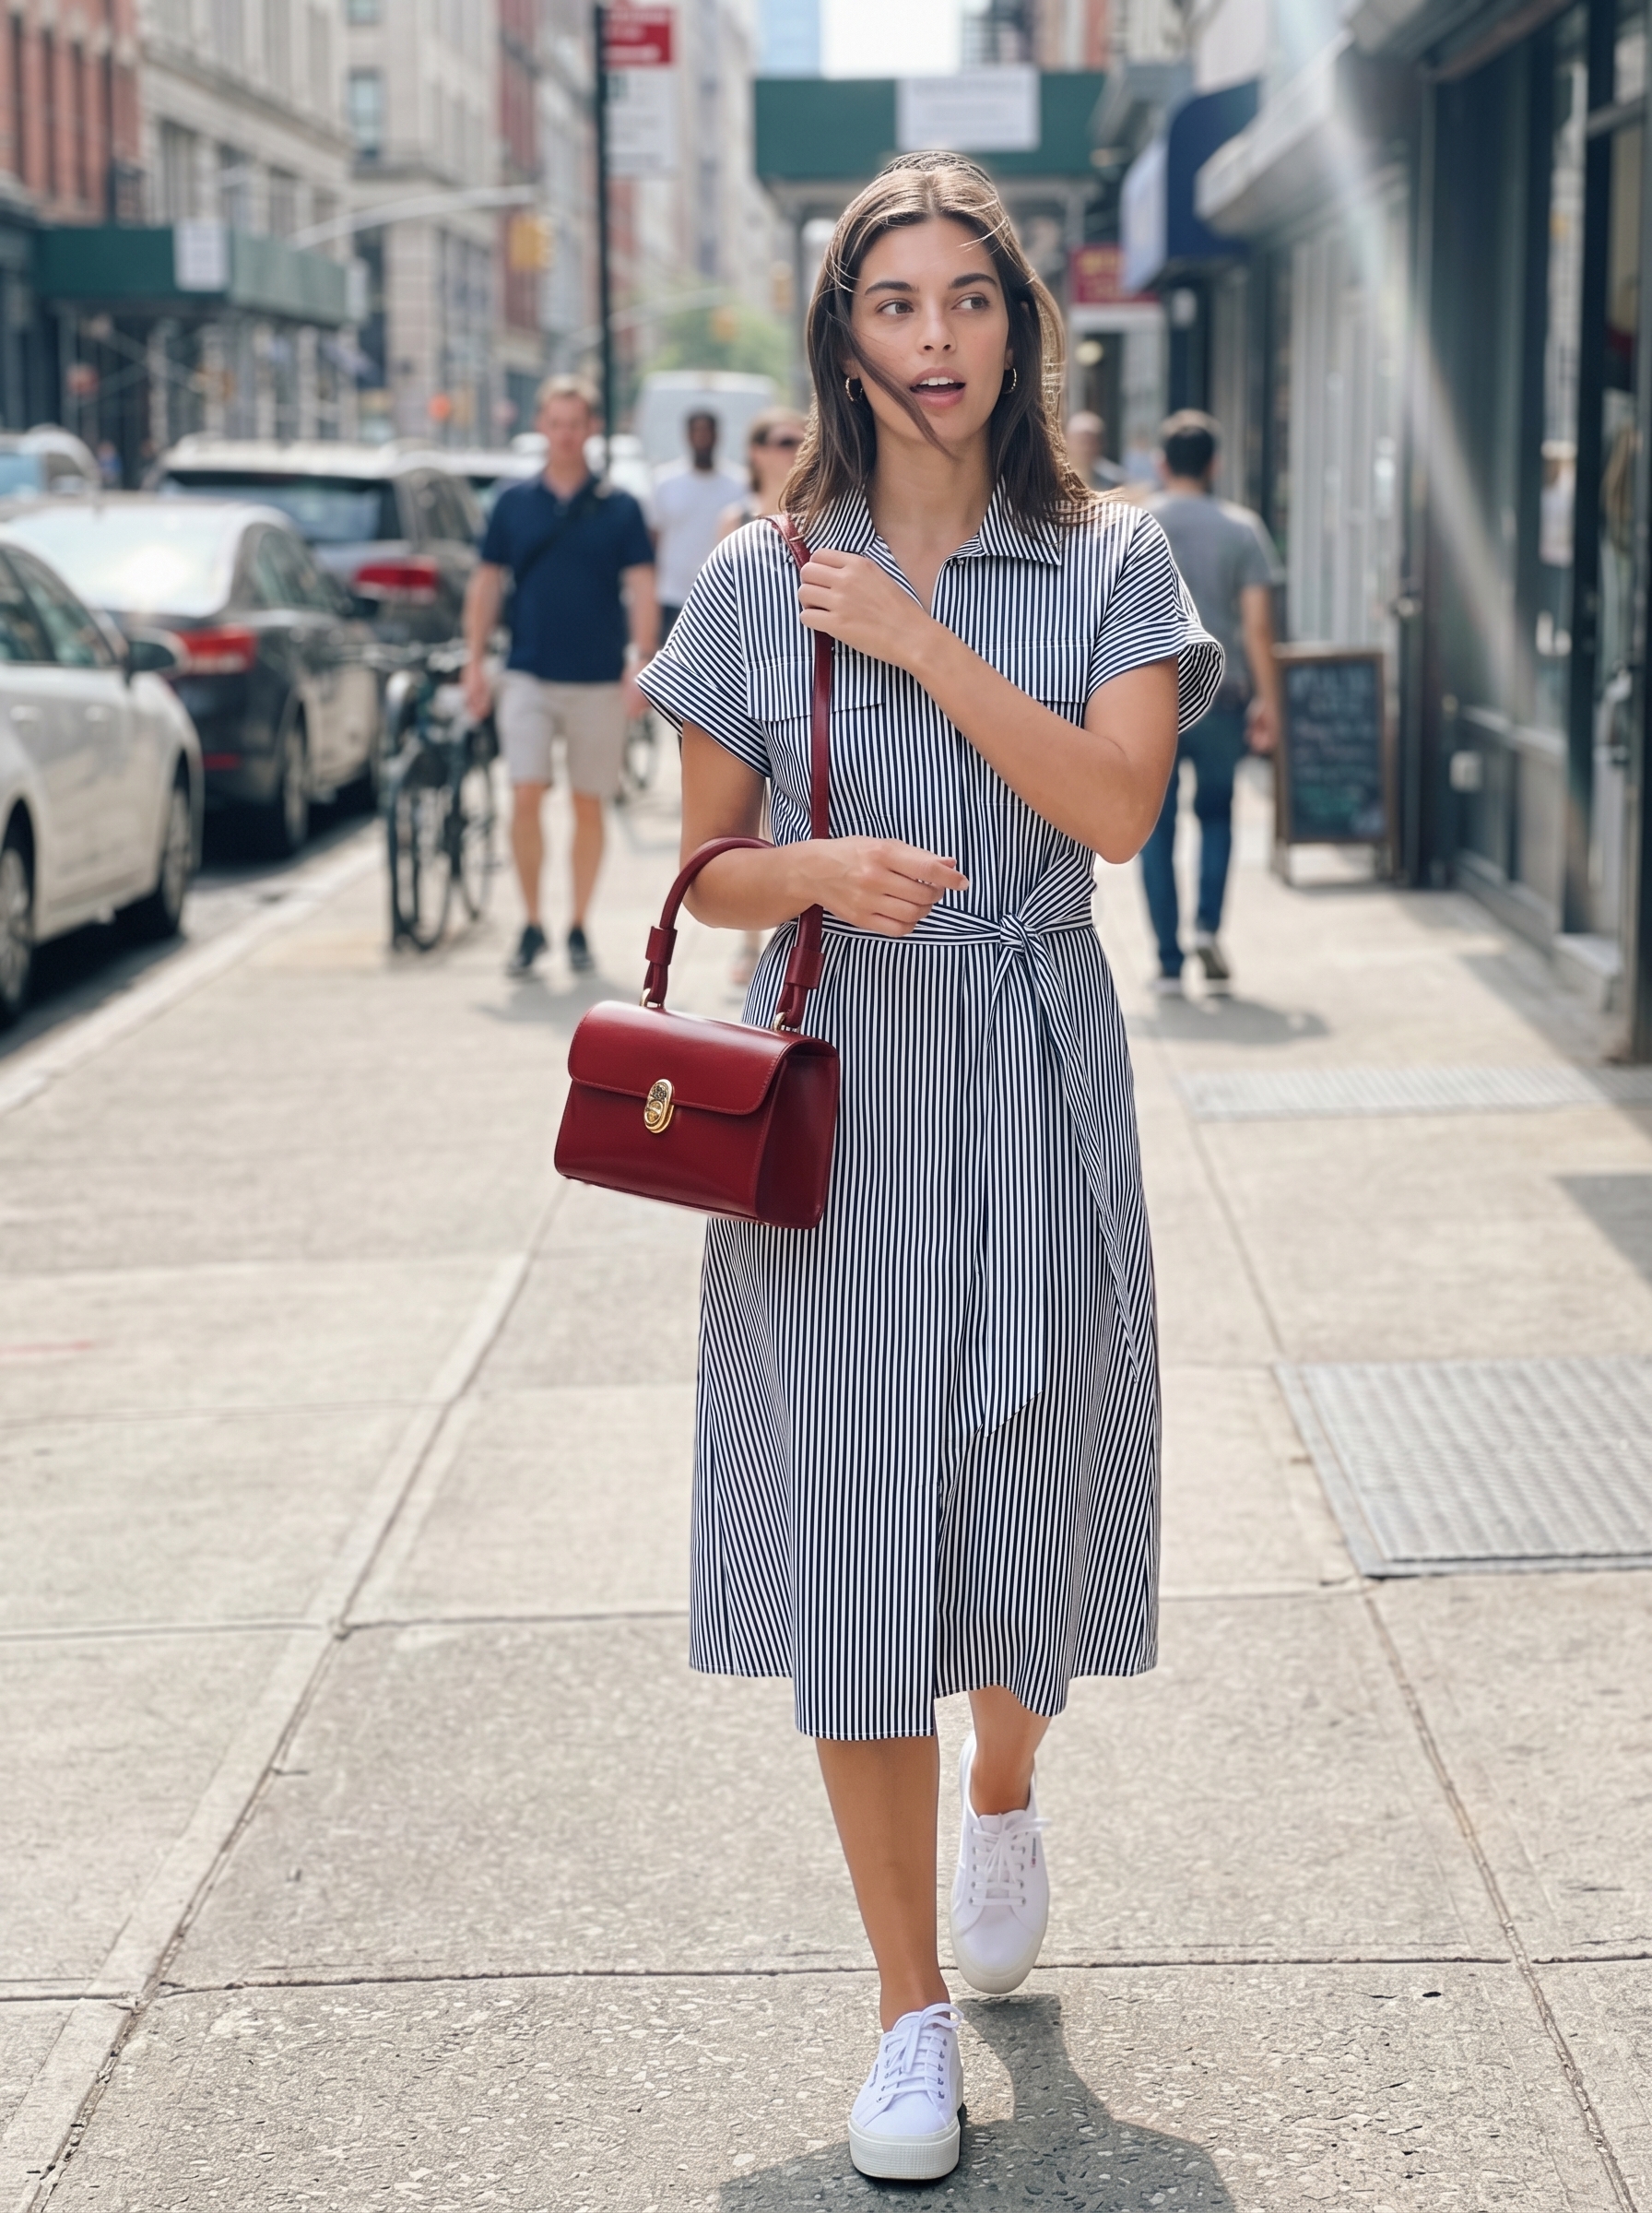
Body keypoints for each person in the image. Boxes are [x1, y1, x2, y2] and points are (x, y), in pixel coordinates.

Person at [637, 152, 1218, 2185]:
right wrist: (807, 866)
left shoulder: (1114, 560)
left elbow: (1118, 810)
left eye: (965, 302)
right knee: (869, 1535)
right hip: (841, 1095)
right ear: (841, 328)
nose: (932, 343)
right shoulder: (746, 573)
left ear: (1017, 323)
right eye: (892, 305)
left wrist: (914, 634)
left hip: (1037, 1063)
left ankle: (1002, 1783)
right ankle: (902, 2018)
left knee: (1032, 1487)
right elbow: (704, 876)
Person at [463, 375, 656, 977]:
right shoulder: (513, 503)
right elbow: (487, 581)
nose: (566, 434)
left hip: (598, 675)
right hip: (527, 671)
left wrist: (641, 660)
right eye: (556, 422)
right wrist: (474, 662)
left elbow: (643, 587)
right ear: (542, 427)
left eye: (577, 423)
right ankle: (530, 923)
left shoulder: (620, 507)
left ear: (592, 428)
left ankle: (576, 924)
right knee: (524, 792)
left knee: (588, 802)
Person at [1140, 408, 1282, 995]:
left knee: (1156, 829)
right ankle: (1207, 928)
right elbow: (1256, 628)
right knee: (1219, 817)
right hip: (1222, 698)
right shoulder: (1242, 528)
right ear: (1215, 465)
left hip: (1151, 703)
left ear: (1162, 463)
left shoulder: (1133, 523)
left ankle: (1170, 963)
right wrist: (1270, 700)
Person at [716, 407, 808, 989]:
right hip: (751, 682)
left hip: (804, 685)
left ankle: (767, 934)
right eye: (779, 441)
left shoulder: (825, 515)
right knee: (744, 827)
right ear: (756, 451)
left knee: (787, 819)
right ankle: (752, 943)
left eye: (800, 439)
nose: (790, 448)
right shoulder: (738, 526)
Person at [650, 408, 746, 643]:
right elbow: (654, 538)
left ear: (718, 435)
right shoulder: (665, 481)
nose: (702, 438)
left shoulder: (739, 483)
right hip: (672, 595)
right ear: (687, 435)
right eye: (697, 432)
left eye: (707, 432)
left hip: (721, 600)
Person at [1064, 408, 1126, 491]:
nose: (1086, 448)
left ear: (1101, 444)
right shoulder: (1054, 480)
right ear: (1066, 441)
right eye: (1081, 442)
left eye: (1091, 442)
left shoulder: (1114, 480)